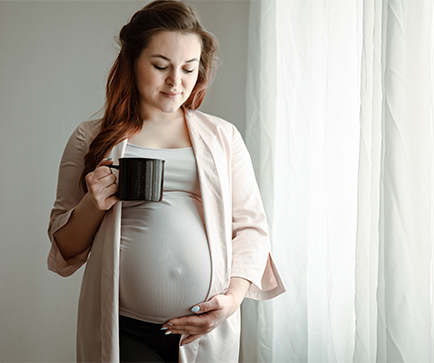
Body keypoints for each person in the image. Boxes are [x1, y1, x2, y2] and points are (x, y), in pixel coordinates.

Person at [47, 1, 285, 362]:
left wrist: (233, 299)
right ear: (132, 62)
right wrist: (91, 205)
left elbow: (251, 227)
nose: (176, 82)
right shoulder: (90, 138)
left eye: (189, 69)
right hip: (125, 330)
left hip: (204, 330)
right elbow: (64, 251)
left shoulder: (223, 137)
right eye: (161, 66)